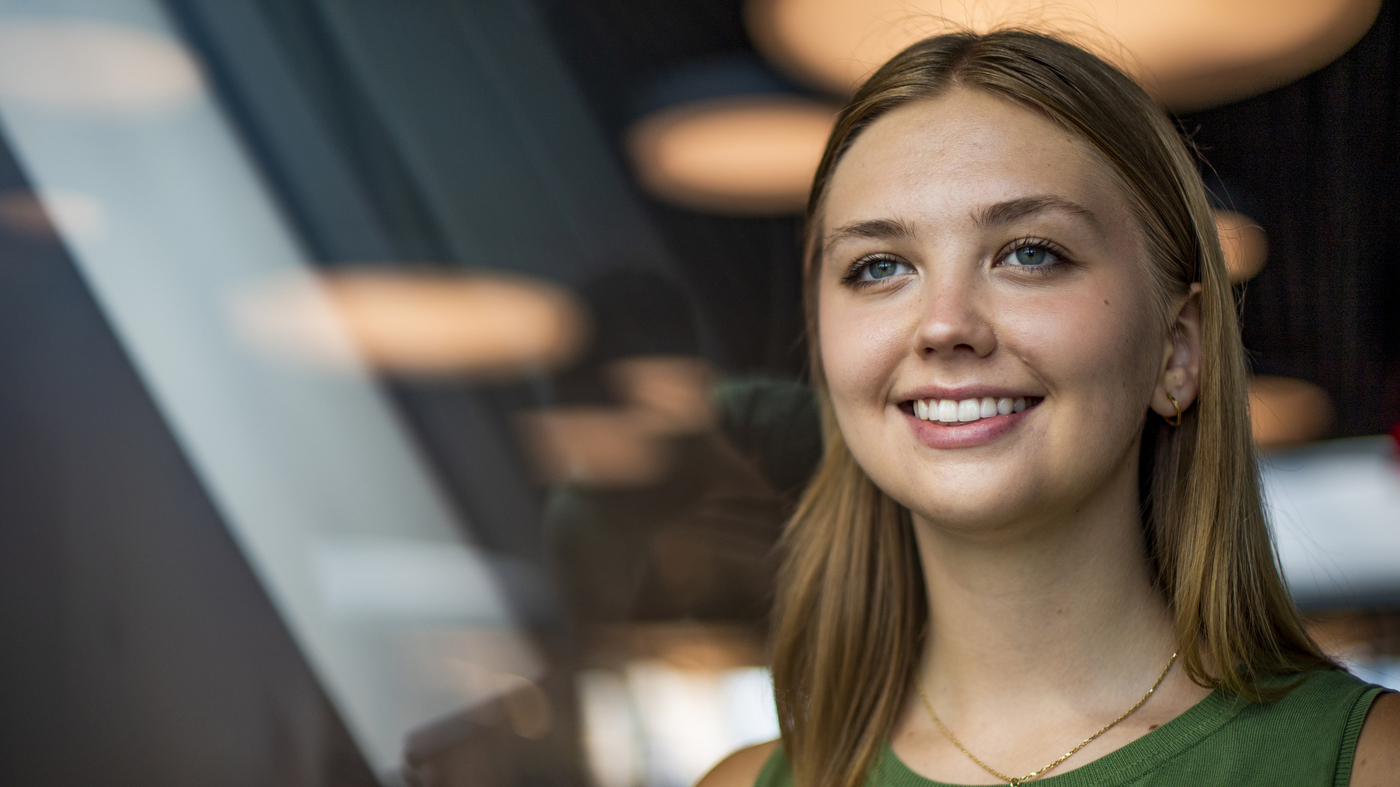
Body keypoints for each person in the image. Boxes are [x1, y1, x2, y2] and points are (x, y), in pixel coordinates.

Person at [699, 30, 1399, 787]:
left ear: (1178, 351)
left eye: (1030, 252)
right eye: (879, 267)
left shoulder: (1366, 762)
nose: (944, 325)